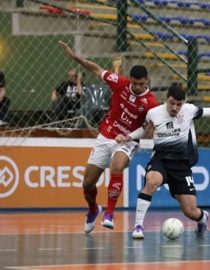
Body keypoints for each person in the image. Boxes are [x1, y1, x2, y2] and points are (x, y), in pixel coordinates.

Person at [116, 84, 210, 239]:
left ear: (184, 102)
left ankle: (202, 218)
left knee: (190, 211)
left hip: (181, 166)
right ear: (166, 100)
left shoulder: (189, 110)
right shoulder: (153, 113)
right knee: (151, 181)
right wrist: (128, 137)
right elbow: (144, 129)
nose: (175, 107)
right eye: (172, 103)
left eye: (179, 104)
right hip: (160, 160)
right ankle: (138, 226)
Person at [58, 41, 159, 233]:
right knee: (87, 183)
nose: (137, 87)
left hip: (127, 142)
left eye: (142, 84)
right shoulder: (120, 83)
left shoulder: (151, 103)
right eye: (135, 83)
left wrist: (137, 135)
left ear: (147, 81)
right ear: (130, 79)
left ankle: (110, 214)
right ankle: (93, 209)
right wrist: (74, 55)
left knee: (117, 165)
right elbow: (95, 68)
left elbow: (149, 132)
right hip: (106, 136)